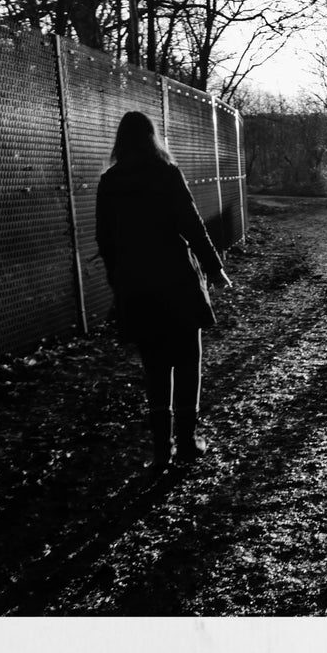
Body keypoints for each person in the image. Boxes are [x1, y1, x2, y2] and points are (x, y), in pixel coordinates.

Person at [96, 111, 232, 471]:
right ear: (154, 137)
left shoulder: (109, 181)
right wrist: (215, 268)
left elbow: (104, 240)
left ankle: (161, 449)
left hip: (137, 287)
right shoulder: (166, 173)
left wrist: (118, 281)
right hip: (176, 281)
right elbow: (191, 224)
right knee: (188, 361)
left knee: (154, 368)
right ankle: (187, 441)